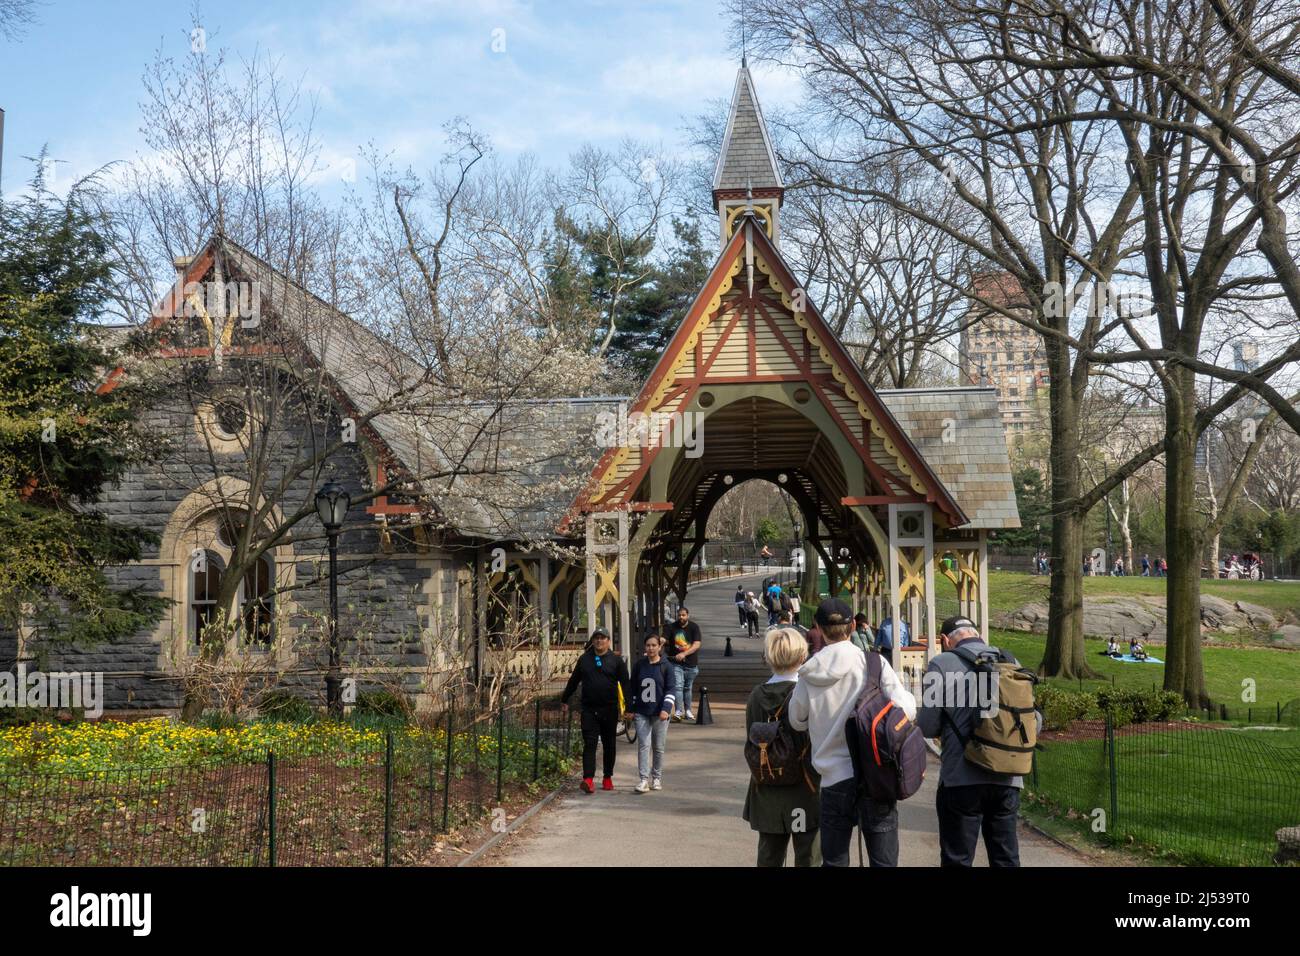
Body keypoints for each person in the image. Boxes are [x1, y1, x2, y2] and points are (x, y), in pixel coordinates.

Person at [788, 598, 916, 867]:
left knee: (834, 861)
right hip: (876, 775)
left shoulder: (808, 674)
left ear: (819, 628)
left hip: (833, 780)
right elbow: (906, 709)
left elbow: (796, 720)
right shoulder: (873, 664)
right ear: (854, 625)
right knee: (883, 861)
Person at [916, 616, 1031, 867]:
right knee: (1006, 858)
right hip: (1008, 777)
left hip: (961, 777)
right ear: (977, 633)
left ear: (945, 640)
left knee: (957, 858)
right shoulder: (1010, 661)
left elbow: (927, 724)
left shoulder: (941, 663)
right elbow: (1033, 720)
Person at [743, 627, 821, 867]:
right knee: (809, 855)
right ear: (802, 657)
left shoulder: (756, 696)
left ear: (769, 658)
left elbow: (751, 737)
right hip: (806, 785)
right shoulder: (809, 692)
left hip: (767, 784)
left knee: (769, 856)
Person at [560, 627, 632, 793]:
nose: (599, 641)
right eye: (596, 638)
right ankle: (588, 779)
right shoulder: (585, 659)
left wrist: (629, 708)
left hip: (609, 709)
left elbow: (626, 685)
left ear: (608, 641)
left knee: (609, 745)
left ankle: (607, 777)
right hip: (589, 710)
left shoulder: (616, 661)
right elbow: (573, 680)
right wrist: (565, 699)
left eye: (603, 638)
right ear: (592, 641)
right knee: (590, 744)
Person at [629, 633, 675, 793]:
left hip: (660, 713)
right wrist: (631, 708)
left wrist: (666, 709)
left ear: (659, 647)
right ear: (644, 647)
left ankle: (656, 777)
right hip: (642, 712)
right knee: (643, 745)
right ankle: (643, 779)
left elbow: (671, 689)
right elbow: (632, 687)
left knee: (658, 747)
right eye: (648, 645)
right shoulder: (639, 665)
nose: (650, 648)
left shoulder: (666, 666)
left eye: (653, 645)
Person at [666, 605, 702, 722]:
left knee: (688, 688)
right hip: (676, 663)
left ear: (688, 616)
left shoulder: (694, 627)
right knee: (678, 686)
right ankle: (678, 711)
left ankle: (688, 710)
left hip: (691, 663)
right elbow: (663, 638)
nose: (681, 617)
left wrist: (684, 654)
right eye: (679, 615)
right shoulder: (672, 627)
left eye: (683, 615)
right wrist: (660, 641)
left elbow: (697, 644)